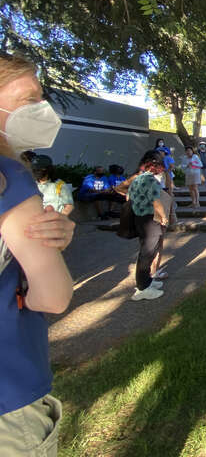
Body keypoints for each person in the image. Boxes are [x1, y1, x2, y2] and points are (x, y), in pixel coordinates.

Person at [0, 51, 77, 456]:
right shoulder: (9, 178)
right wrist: (28, 293)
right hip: (10, 393)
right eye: (29, 99)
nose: (42, 109)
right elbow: (55, 296)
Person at [128, 150, 170, 300]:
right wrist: (163, 217)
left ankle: (146, 281)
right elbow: (155, 201)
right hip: (149, 219)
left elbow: (129, 196)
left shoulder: (138, 178)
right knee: (147, 253)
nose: (161, 168)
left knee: (148, 252)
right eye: (159, 164)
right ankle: (143, 288)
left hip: (140, 218)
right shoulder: (149, 180)